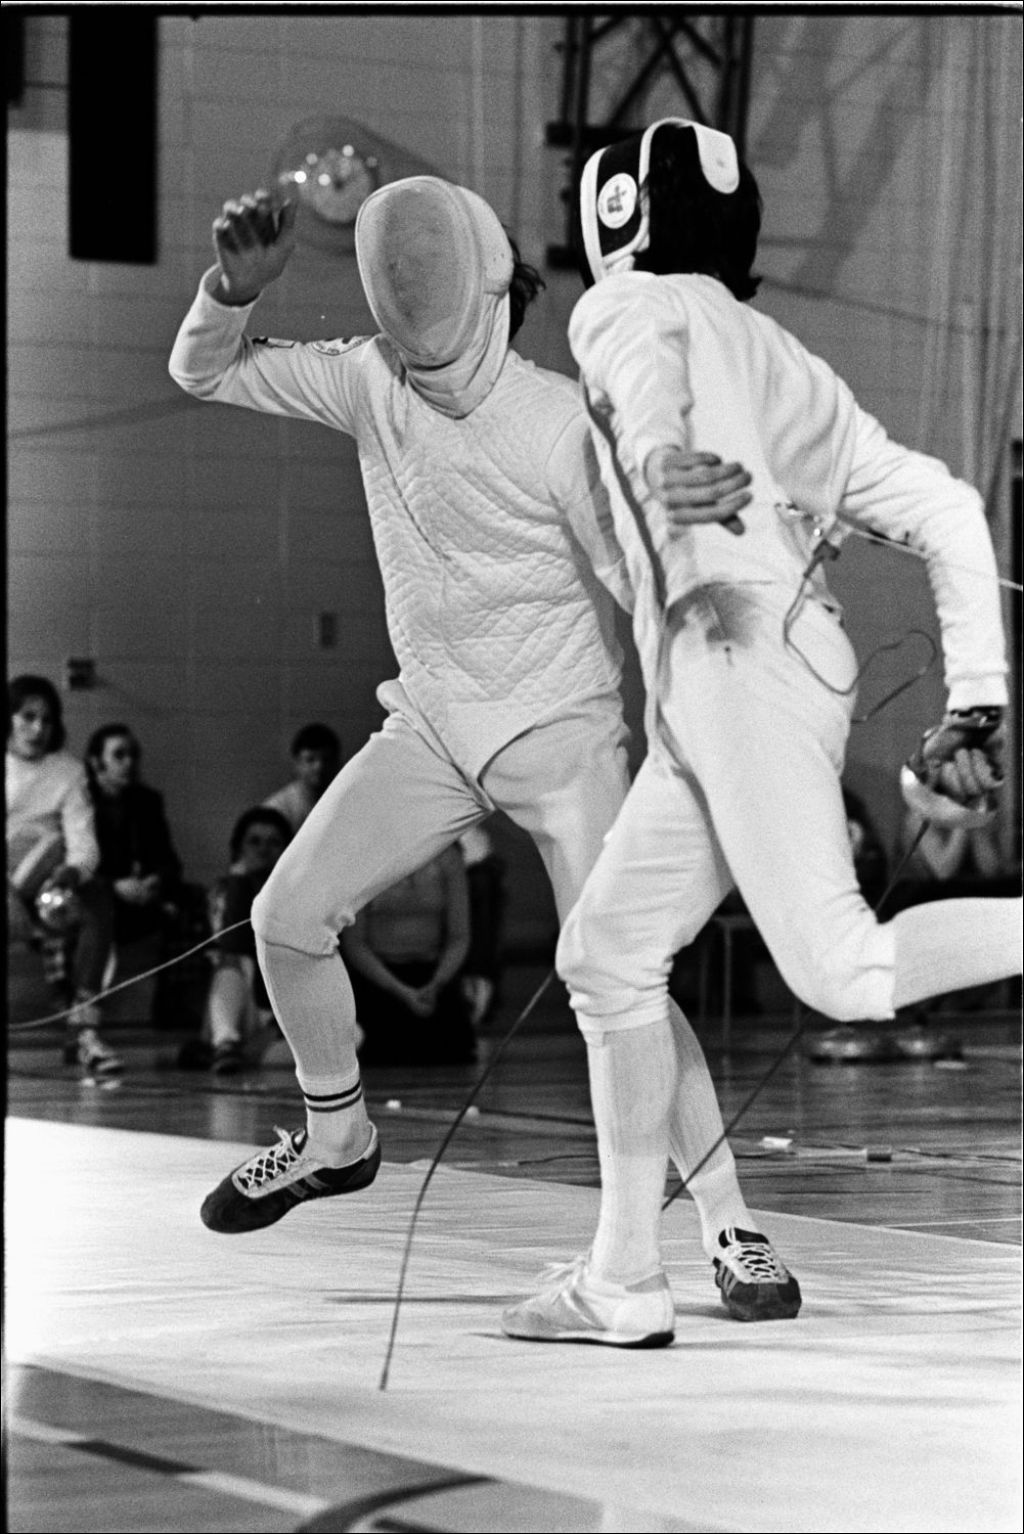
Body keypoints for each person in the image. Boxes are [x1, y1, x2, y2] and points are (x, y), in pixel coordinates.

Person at [168, 175, 759, 1284]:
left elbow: (643, 582)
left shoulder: (560, 425)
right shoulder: (368, 379)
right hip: (433, 726)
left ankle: (728, 1224)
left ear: (493, 291)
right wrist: (231, 292)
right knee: (285, 917)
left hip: (562, 735)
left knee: (622, 985)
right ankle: (337, 1137)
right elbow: (204, 368)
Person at [501, 119, 1022, 1347]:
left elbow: (637, 377)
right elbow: (950, 508)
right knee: (607, 956)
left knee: (841, 970)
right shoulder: (787, 358)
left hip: (737, 664)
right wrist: (978, 696)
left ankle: (627, 1271)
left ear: (617, 220)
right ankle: (622, 1277)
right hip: (749, 677)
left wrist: (656, 456)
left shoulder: (621, 305)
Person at [6, 675, 123, 1076]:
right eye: (28, 717)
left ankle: (84, 1030)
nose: (38, 728)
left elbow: (83, 844)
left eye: (47, 719)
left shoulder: (68, 772)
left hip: (47, 884)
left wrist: (69, 874)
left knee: (97, 900)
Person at [85, 723, 183, 1025]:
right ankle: (82, 1007)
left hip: (141, 896)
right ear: (96, 762)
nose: (129, 763)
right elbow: (75, 862)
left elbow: (169, 861)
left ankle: (170, 1009)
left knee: (189, 904)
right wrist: (114, 886)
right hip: (98, 893)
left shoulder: (146, 802)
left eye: (133, 755)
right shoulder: (82, 800)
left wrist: (155, 880)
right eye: (119, 755)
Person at [341, 845, 475, 1065]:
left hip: (433, 975)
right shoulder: (362, 859)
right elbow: (355, 945)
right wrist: (401, 992)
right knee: (379, 1053)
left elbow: (459, 937)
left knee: (453, 1051)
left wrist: (437, 983)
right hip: (378, 977)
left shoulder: (447, 855)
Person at [191, 806, 293, 1075]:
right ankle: (225, 1044)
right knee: (233, 964)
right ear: (239, 848)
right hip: (238, 1008)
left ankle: (243, 1056)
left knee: (354, 1034)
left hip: (282, 1014)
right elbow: (231, 944)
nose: (263, 850)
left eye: (274, 842)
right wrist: (239, 881)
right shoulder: (224, 889)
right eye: (254, 842)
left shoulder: (297, 893)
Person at [263, 723, 342, 834]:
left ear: (337, 763)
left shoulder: (347, 803)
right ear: (296, 764)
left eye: (326, 759)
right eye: (310, 760)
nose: (319, 767)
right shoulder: (277, 810)